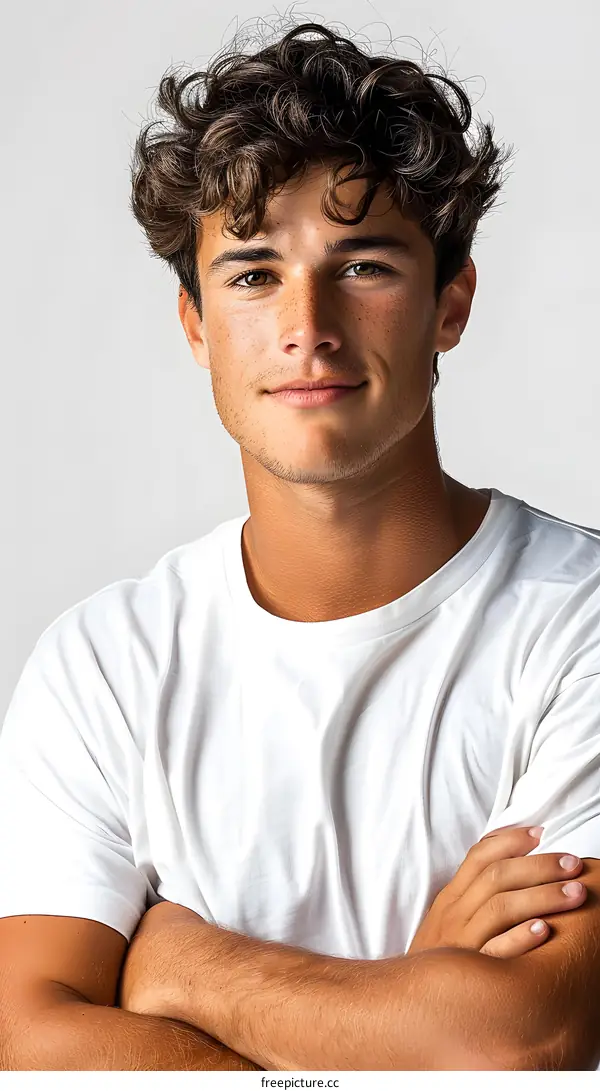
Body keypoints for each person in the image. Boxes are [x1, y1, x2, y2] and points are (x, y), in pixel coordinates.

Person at [1, 20, 600, 1072]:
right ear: (194, 324)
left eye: (362, 263)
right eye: (252, 274)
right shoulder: (102, 666)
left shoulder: (579, 622)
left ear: (449, 304)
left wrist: (183, 966)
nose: (307, 326)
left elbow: (520, 1032)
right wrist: (404, 1017)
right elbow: (30, 1038)